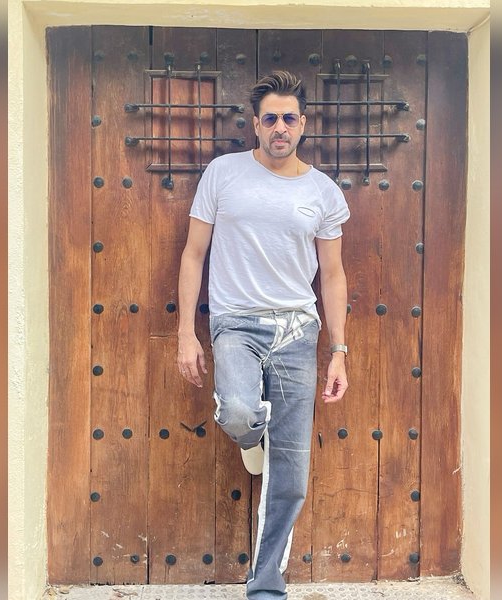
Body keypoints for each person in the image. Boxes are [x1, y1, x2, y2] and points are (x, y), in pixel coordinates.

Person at [176, 70, 350, 599]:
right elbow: (193, 254)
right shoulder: (223, 173)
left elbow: (333, 275)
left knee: (291, 474)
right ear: (255, 124)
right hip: (236, 323)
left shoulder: (322, 192)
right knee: (237, 411)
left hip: (298, 332)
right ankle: (253, 439)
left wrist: (338, 351)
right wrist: (186, 332)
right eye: (270, 118)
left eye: (289, 118)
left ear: (303, 124)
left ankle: (266, 585)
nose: (280, 127)